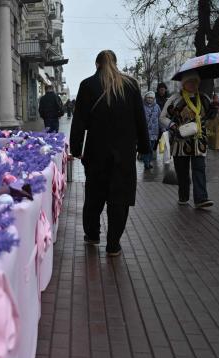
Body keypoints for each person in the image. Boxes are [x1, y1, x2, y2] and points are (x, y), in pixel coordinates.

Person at [70, 50, 150, 256]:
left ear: (97, 64)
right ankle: (113, 244)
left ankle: (93, 235)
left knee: (94, 197)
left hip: (96, 152)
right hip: (124, 154)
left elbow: (79, 121)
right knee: (120, 199)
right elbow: (140, 119)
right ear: (115, 62)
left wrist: (76, 149)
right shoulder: (131, 85)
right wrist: (144, 147)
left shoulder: (87, 85)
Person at [159, 71, 218, 208]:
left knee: (199, 169)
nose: (192, 85)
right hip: (180, 142)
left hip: (199, 141)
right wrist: (173, 126)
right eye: (189, 82)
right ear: (184, 83)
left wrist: (215, 105)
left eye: (195, 82)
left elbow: (210, 116)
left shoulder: (203, 98)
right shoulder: (175, 99)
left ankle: (201, 199)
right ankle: (183, 196)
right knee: (182, 172)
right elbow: (162, 117)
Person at [142, 91, 161, 170]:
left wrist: (163, 129)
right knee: (147, 147)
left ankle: (149, 162)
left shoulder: (157, 107)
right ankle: (146, 163)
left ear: (154, 99)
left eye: (152, 98)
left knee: (152, 148)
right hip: (145, 132)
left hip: (154, 131)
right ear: (145, 98)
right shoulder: (142, 107)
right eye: (148, 97)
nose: (150, 99)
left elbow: (160, 118)